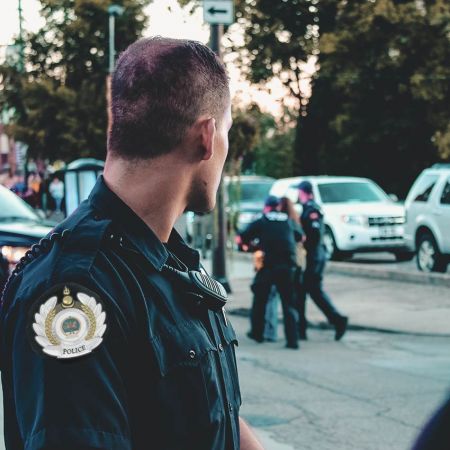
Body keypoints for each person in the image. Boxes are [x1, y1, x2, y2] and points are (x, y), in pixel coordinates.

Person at [0, 37, 263, 450]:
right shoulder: (74, 290)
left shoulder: (170, 263)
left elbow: (208, 416)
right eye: (226, 131)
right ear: (207, 137)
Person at [240, 195, 303, 349]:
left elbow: (243, 236)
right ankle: (292, 340)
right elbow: (300, 236)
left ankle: (257, 333)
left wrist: (253, 246)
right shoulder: (289, 221)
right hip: (288, 266)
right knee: (289, 304)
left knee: (260, 299)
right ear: (278, 207)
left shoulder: (262, 220)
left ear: (267, 207)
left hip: (269, 266)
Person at [296, 180, 348, 341]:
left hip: (314, 257)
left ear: (303, 192)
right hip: (313, 256)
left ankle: (337, 319)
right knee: (304, 292)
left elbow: (315, 233)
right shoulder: (308, 208)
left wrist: (304, 240)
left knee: (313, 291)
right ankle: (301, 329)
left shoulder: (312, 209)